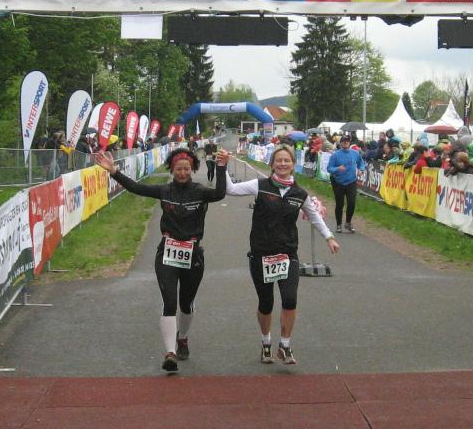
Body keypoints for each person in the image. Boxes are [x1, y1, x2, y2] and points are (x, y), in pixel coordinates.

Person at [95, 147, 228, 374]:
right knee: (169, 302)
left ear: (192, 169)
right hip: (167, 253)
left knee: (186, 303)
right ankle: (170, 353)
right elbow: (136, 188)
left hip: (193, 255)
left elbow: (220, 194)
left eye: (186, 169)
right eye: (178, 169)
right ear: (172, 170)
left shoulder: (200, 192)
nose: (182, 173)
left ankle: (182, 337)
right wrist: (114, 172)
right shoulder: (164, 190)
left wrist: (222, 168)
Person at [223, 145, 339, 365]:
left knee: (290, 299)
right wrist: (223, 166)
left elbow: (314, 217)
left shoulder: (299, 193)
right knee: (266, 303)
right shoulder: (260, 186)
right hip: (261, 254)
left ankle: (284, 345)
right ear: (272, 164)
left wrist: (329, 237)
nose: (283, 164)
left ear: (293, 164)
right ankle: (266, 341)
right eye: (279, 160)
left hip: (288, 253)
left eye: (287, 160)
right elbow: (231, 190)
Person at [326, 136, 365, 233]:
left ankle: (348, 223)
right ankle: (339, 224)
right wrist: (337, 169)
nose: (345, 143)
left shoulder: (355, 153)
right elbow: (329, 168)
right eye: (343, 141)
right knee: (340, 204)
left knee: (351, 203)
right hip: (338, 182)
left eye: (347, 141)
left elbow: (361, 163)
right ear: (340, 143)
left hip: (351, 181)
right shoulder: (335, 155)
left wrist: (361, 170)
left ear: (349, 142)